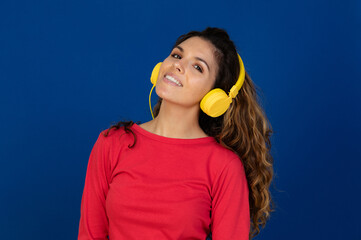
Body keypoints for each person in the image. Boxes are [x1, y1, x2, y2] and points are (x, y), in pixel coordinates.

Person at [78, 27, 274, 240]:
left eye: (198, 67)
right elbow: (90, 234)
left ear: (215, 97)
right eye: (177, 55)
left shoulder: (223, 166)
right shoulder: (112, 143)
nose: (178, 65)